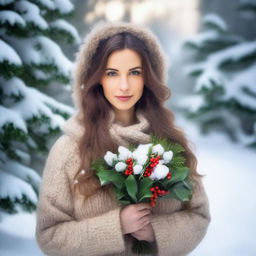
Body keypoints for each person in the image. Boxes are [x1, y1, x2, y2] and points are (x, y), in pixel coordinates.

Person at [35, 21, 211, 256]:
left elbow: (198, 216)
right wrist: (116, 226)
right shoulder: (70, 149)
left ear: (149, 78)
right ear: (96, 78)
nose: (124, 85)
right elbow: (49, 235)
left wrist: (156, 231)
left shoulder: (171, 144)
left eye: (135, 73)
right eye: (112, 73)